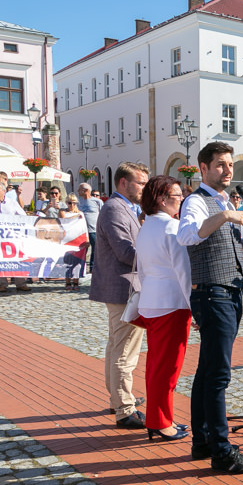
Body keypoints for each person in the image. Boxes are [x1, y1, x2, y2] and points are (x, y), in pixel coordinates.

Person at [177, 141, 243, 472]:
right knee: (218, 375)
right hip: (213, 294)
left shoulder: (220, 202)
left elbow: (233, 254)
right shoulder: (197, 202)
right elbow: (187, 236)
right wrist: (226, 215)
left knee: (207, 370)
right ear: (204, 168)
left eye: (230, 165)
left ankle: (202, 440)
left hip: (225, 291)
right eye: (220, 165)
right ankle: (222, 450)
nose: (228, 170)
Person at [88, 162, 150, 427]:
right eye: (141, 183)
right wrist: (159, 256)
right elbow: (126, 252)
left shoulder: (127, 208)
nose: (145, 189)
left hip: (123, 287)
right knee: (125, 350)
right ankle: (124, 409)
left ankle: (118, 399)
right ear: (123, 183)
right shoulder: (115, 208)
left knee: (116, 346)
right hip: (124, 289)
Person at [136, 176, 192, 442]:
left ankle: (159, 418)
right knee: (167, 368)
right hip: (171, 303)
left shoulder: (146, 226)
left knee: (155, 365)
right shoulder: (172, 227)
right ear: (161, 198)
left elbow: (143, 268)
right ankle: (160, 422)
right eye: (177, 195)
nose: (180, 199)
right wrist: (196, 308)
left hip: (152, 300)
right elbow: (184, 272)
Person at [60, 193, 88, 291]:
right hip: (66, 240)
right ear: (66, 203)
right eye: (69, 203)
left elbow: (84, 227)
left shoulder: (81, 214)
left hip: (78, 240)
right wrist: (76, 216)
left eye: (74, 203)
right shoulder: (64, 212)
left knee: (77, 262)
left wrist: (87, 240)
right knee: (67, 262)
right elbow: (63, 220)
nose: (72, 205)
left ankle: (76, 282)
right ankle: (67, 282)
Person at [77, 183, 104, 272]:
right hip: (81, 230)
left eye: (79, 189)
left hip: (93, 229)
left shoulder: (97, 201)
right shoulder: (78, 202)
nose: (78, 191)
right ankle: (80, 268)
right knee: (81, 250)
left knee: (95, 248)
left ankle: (93, 268)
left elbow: (103, 214)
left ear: (85, 191)